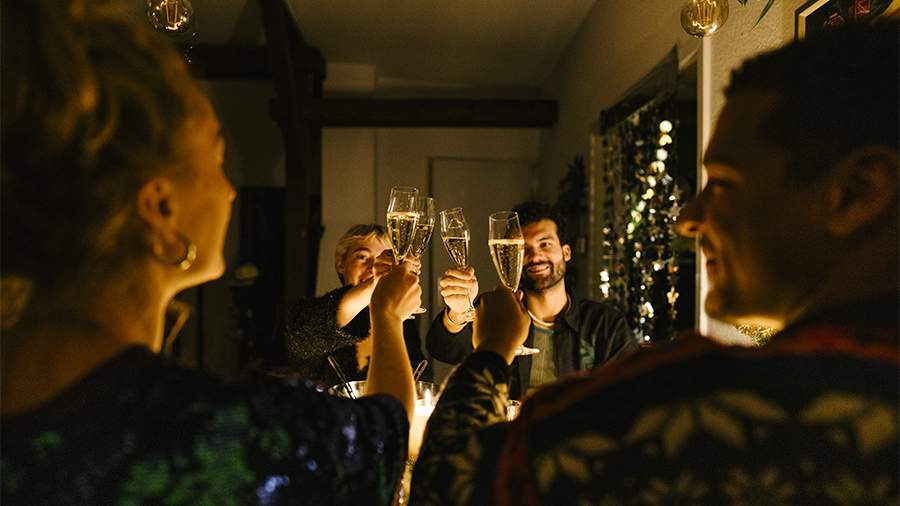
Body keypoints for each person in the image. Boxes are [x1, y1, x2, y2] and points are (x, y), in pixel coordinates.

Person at [411, 20, 899, 505]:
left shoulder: (704, 405)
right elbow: (441, 345)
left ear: (856, 193)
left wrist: (493, 349)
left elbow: (448, 483)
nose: (688, 219)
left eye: (723, 183)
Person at [0, 1, 418, 503]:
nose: (230, 191)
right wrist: (388, 317)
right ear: (160, 208)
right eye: (218, 161)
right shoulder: (209, 431)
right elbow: (380, 447)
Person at [426, 201, 636, 398]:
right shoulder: (495, 313)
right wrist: (458, 313)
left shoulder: (605, 324)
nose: (535, 256)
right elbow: (442, 348)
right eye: (523, 248)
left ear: (566, 252)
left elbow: (629, 392)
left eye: (545, 244)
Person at [285, 224, 430, 385]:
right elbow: (301, 338)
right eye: (362, 257)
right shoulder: (310, 314)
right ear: (341, 264)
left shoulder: (404, 322)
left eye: (384, 260)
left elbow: (421, 376)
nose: (373, 267)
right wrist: (375, 283)